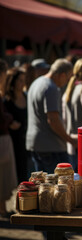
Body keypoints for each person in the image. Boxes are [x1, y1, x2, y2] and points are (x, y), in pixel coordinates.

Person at [26, 59, 76, 173]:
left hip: (36, 144)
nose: (66, 82)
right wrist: (70, 139)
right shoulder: (51, 87)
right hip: (51, 147)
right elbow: (53, 120)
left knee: (41, 186)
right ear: (62, 75)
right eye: (67, 79)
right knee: (57, 187)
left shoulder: (37, 82)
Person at [4, 68, 28, 182]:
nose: (23, 83)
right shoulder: (7, 100)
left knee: (25, 174)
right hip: (13, 142)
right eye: (20, 80)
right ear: (13, 81)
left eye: (24, 80)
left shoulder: (27, 96)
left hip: (26, 142)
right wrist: (10, 123)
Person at [0, 59, 17, 218]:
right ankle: (2, 209)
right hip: (2, 139)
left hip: (4, 138)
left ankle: (2, 208)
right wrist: (10, 118)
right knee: (4, 176)